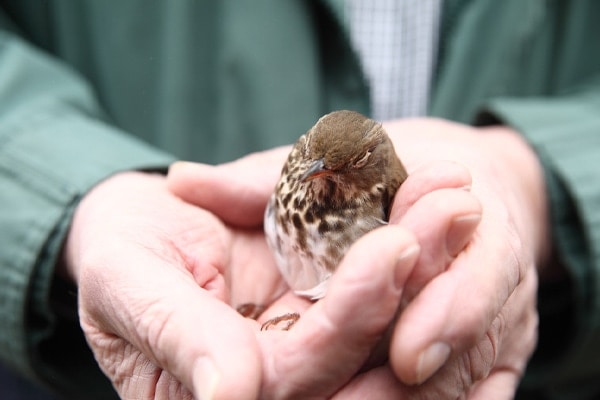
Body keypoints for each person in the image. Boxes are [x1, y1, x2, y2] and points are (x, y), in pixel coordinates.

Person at [0, 1, 598, 399]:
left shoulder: (383, 195)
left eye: (335, 165)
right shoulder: (300, 169)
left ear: (370, 167)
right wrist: (81, 192)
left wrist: (535, 180)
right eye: (310, 154)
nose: (312, 170)